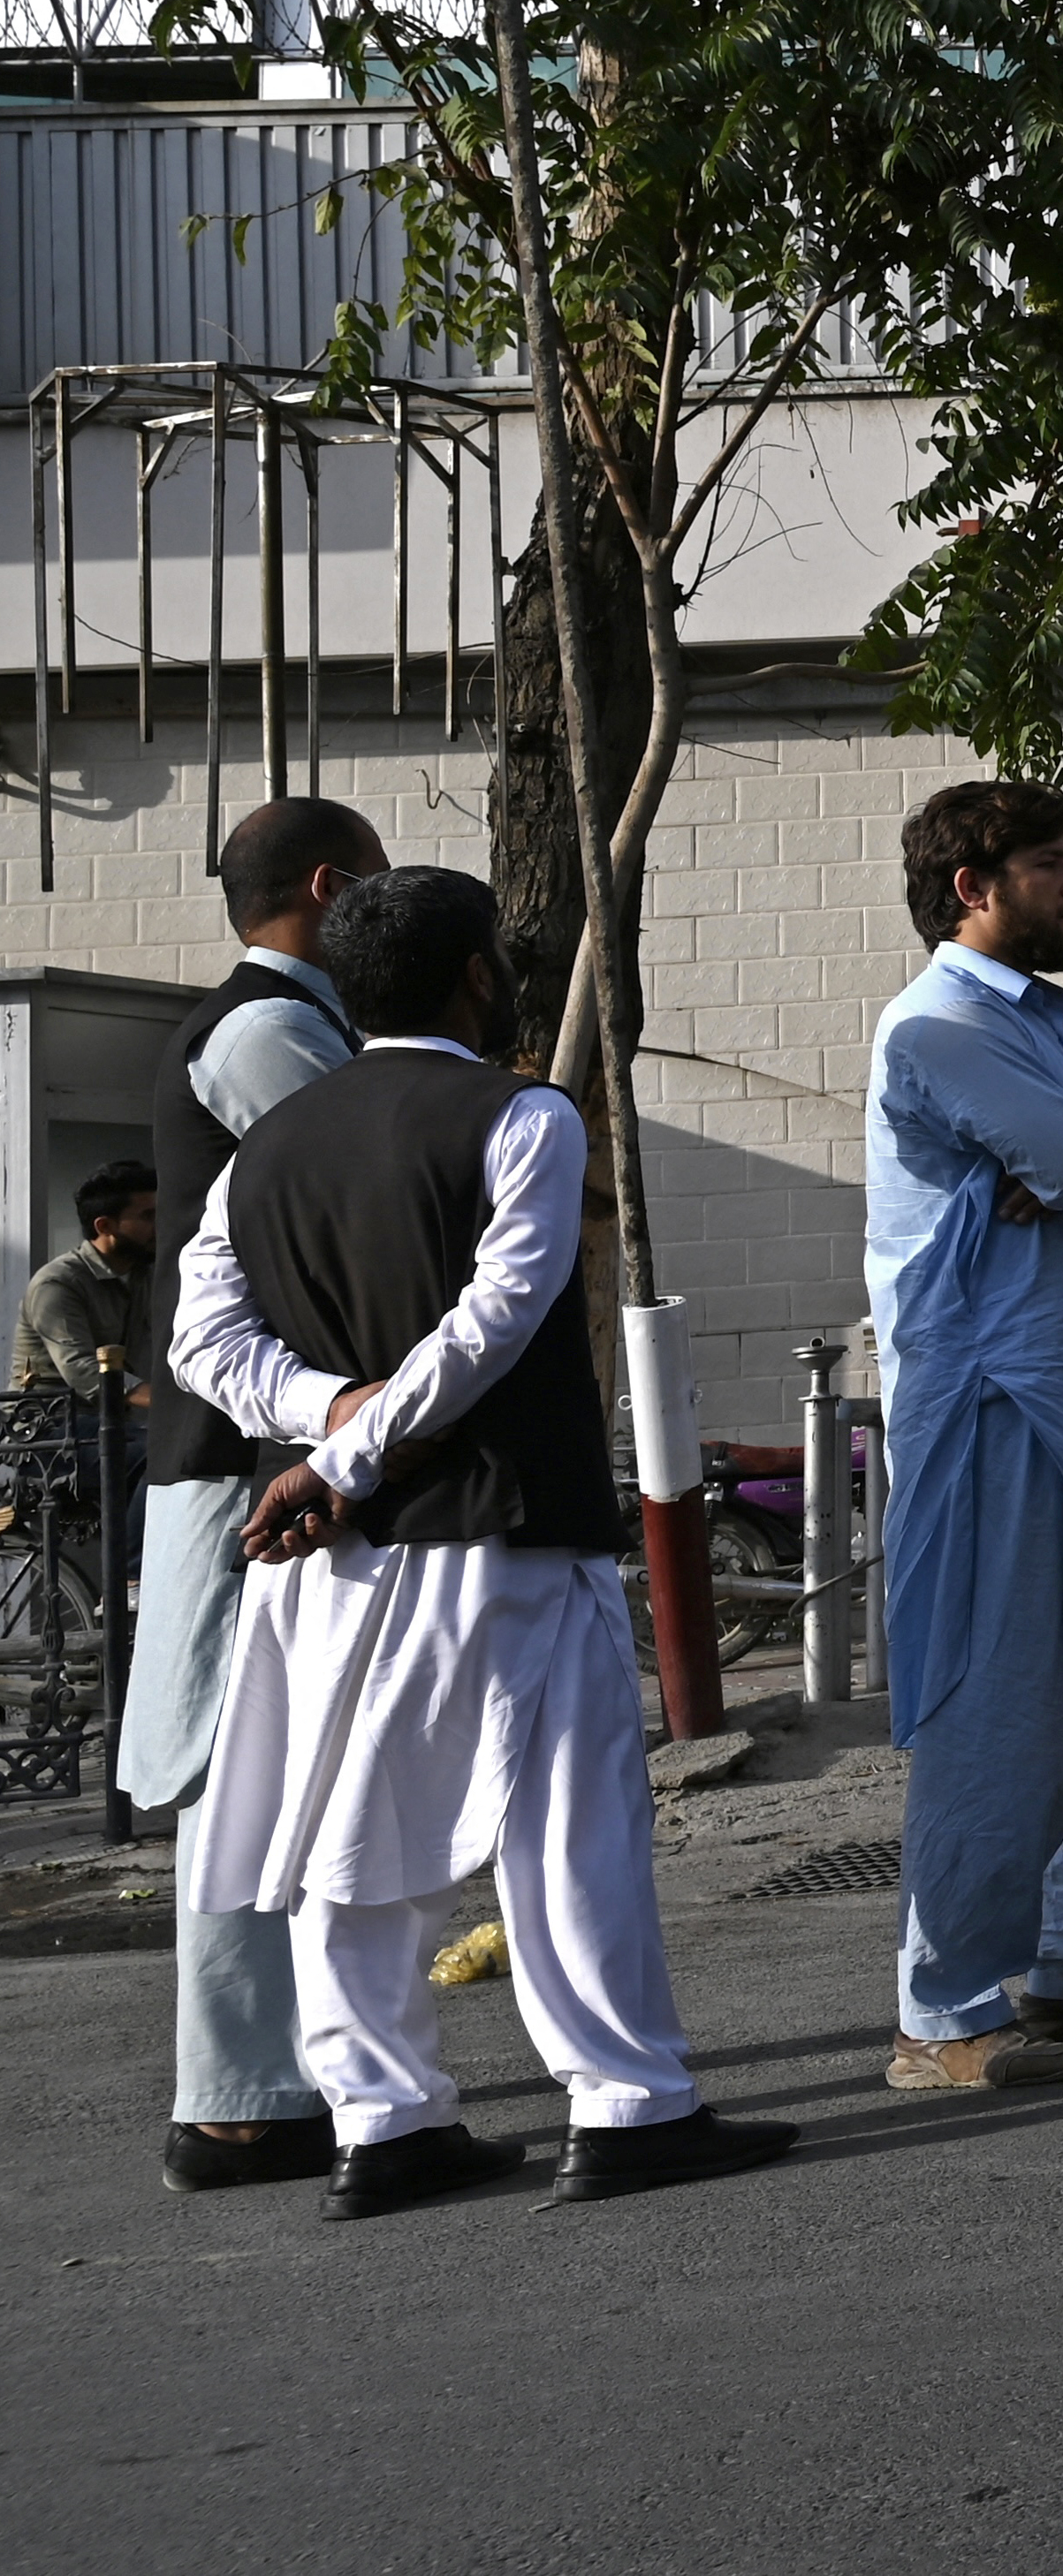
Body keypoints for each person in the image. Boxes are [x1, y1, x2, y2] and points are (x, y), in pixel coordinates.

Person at [168, 866, 793, 2216]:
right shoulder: (523, 1112)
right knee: (567, 1823)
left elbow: (203, 1344)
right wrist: (350, 1437)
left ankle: (383, 2120)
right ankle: (627, 2101)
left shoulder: (264, 1147)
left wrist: (325, 1427)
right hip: (495, 1524)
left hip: (326, 1549)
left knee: (345, 1831)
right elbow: (497, 1320)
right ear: (475, 975)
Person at [863, 781, 1063, 2095]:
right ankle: (938, 2014)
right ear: (971, 889)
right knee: (999, 1697)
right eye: (1051, 862)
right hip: (998, 1410)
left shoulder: (1034, 1030)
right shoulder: (936, 1030)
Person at [129, 793, 380, 2194]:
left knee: (278, 1772)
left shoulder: (283, 1026)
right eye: (382, 893)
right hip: (244, 1465)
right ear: (330, 889)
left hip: (260, 1457)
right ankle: (234, 2099)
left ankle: (275, 2076)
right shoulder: (267, 1034)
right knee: (237, 1778)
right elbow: (375, 1198)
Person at [22, 1158, 151, 1390]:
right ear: (104, 1227)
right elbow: (82, 1369)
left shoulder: (149, 1275)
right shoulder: (57, 1283)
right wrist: (159, 1402)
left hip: (125, 1419)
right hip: (56, 1419)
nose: (161, 1226)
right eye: (148, 1216)